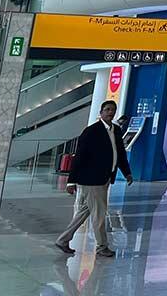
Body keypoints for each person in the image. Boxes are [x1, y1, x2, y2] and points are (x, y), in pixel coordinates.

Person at [54, 101, 132, 257]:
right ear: (101, 112)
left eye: (113, 110)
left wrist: (127, 172)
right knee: (99, 214)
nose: (110, 112)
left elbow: (120, 154)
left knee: (85, 211)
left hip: (105, 178)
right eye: (107, 109)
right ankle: (102, 247)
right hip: (91, 180)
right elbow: (79, 157)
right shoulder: (91, 131)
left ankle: (63, 240)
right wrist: (71, 181)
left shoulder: (116, 130)